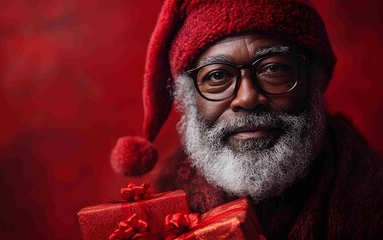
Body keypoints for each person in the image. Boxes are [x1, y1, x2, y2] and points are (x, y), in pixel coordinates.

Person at [110, 0, 382, 239]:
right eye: (217, 76)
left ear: (314, 81)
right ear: (188, 97)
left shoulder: (373, 195)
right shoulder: (153, 214)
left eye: (273, 68)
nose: (248, 98)